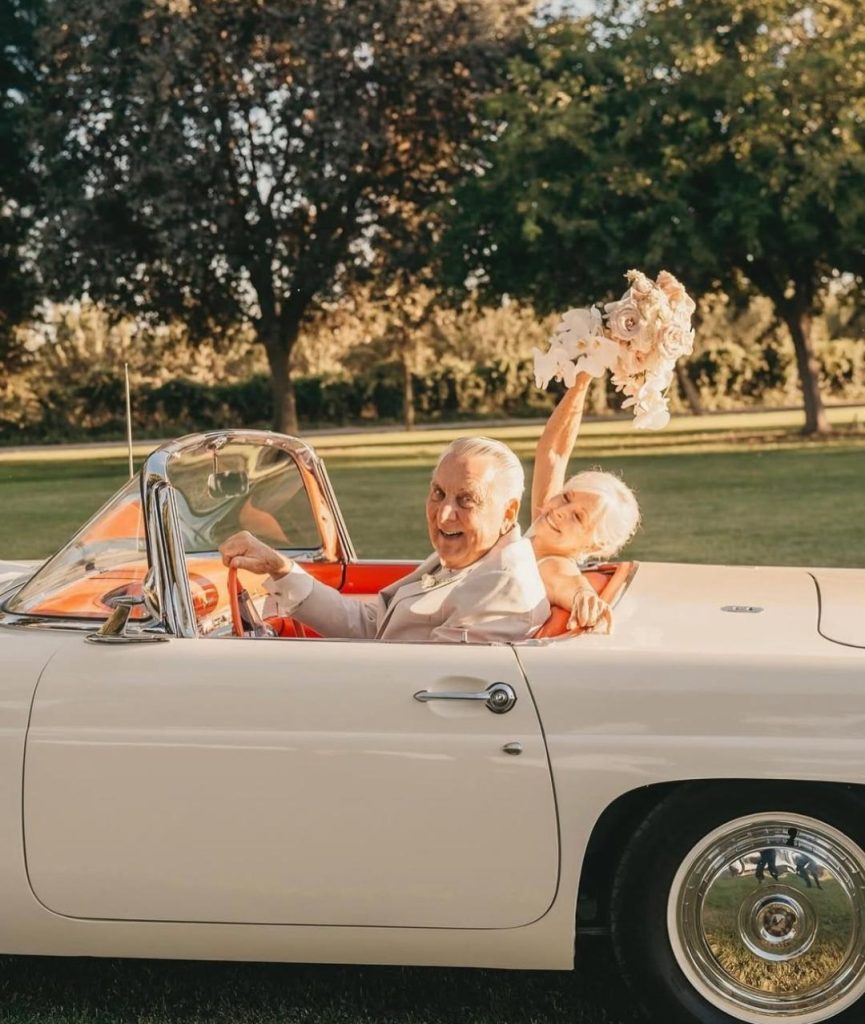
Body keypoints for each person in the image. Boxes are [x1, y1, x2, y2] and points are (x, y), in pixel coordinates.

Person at [219, 437, 549, 643]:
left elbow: (429, 683)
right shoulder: (475, 559)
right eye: (438, 493)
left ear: (509, 512)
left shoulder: (500, 585)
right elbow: (374, 625)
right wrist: (281, 569)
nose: (444, 515)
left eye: (467, 500)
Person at [530, 372, 641, 632]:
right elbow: (553, 452)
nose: (559, 512)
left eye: (578, 517)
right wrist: (581, 381)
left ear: (596, 545)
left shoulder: (554, 562)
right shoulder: (544, 528)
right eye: (566, 497)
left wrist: (583, 596)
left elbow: (566, 582)